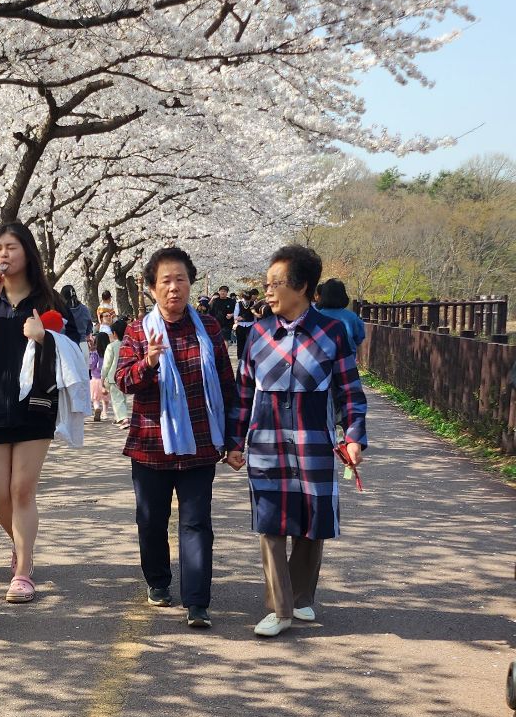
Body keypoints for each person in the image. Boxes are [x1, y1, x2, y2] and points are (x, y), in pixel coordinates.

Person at [226, 244, 367, 637]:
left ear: (302, 287)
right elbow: (242, 392)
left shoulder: (331, 333)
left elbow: (349, 391)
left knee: (312, 519)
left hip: (313, 441)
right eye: (267, 283)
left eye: (277, 283)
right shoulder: (257, 333)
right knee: (270, 521)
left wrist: (354, 435)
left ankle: (302, 597)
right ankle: (280, 608)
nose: (268, 291)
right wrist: (234, 441)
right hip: (266, 441)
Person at [116, 246, 235, 627]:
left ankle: (197, 602)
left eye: (180, 279)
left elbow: (227, 385)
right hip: (151, 445)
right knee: (151, 521)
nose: (174, 288)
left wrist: (234, 441)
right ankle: (158, 581)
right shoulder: (139, 330)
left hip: (200, 443)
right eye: (165, 281)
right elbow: (123, 380)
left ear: (190, 283)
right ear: (152, 288)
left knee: (197, 522)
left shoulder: (208, 328)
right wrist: (148, 362)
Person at [0, 221, 79, 604]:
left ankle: (23, 570)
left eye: (11, 247)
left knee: (21, 489)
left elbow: (74, 351)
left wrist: (44, 336)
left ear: (28, 253)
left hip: (36, 405)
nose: (4, 254)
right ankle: (20, 543)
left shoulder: (49, 302)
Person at [315, 278, 366, 358]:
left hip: (322, 361)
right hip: (347, 361)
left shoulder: (316, 316)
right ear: (343, 296)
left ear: (323, 296)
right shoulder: (352, 317)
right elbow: (359, 338)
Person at [102, 316, 132, 425]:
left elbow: (107, 364)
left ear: (114, 333)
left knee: (117, 398)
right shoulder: (129, 345)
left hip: (113, 377)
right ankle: (117, 416)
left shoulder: (111, 346)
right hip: (126, 375)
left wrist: (102, 377)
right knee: (122, 397)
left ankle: (123, 418)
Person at [88, 330, 111, 421]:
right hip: (106, 379)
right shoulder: (109, 351)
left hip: (95, 379)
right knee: (105, 399)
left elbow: (91, 365)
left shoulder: (94, 352)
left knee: (95, 398)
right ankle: (105, 413)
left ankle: (97, 408)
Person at [232, 289, 258, 361]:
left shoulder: (253, 303)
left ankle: (249, 358)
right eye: (246, 299)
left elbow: (254, 315)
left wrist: (256, 324)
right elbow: (235, 315)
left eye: (248, 299)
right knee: (240, 342)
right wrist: (237, 319)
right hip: (240, 325)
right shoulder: (238, 304)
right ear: (242, 297)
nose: (247, 301)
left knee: (249, 342)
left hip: (250, 324)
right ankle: (240, 358)